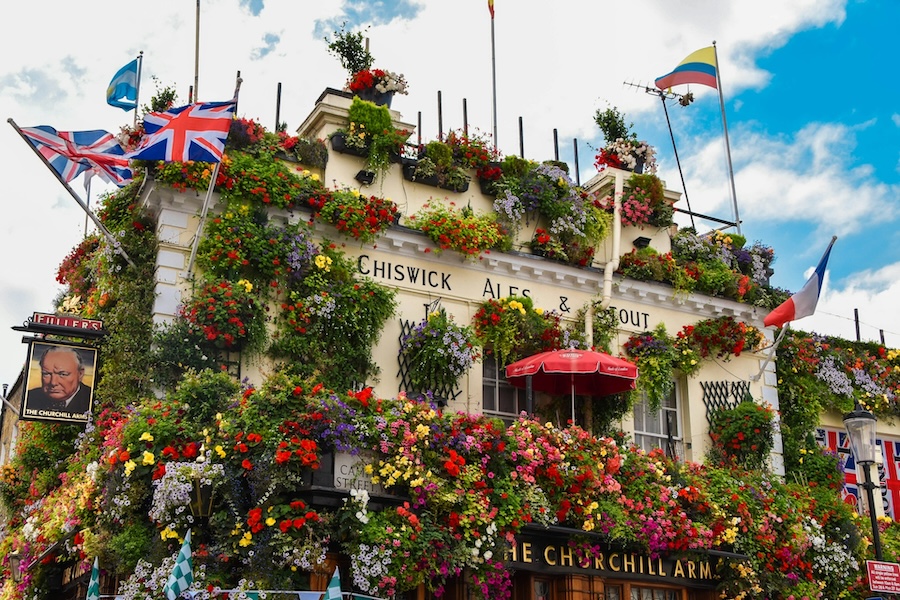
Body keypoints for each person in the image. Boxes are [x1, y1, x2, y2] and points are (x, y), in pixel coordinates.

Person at [25, 346, 93, 415]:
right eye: (46, 374)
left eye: (63, 374)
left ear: (80, 374)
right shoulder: (29, 398)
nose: (53, 382)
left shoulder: (92, 400)